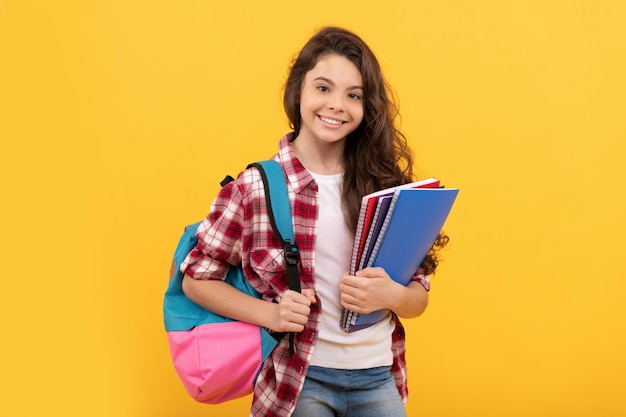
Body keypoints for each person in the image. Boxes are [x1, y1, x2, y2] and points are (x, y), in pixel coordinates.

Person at [180, 26, 449, 417]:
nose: (337, 104)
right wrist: (271, 314)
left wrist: (392, 296)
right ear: (299, 91)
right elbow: (197, 278)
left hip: (378, 375)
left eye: (353, 95)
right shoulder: (256, 187)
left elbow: (417, 298)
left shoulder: (385, 187)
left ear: (366, 106)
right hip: (299, 380)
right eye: (323, 88)